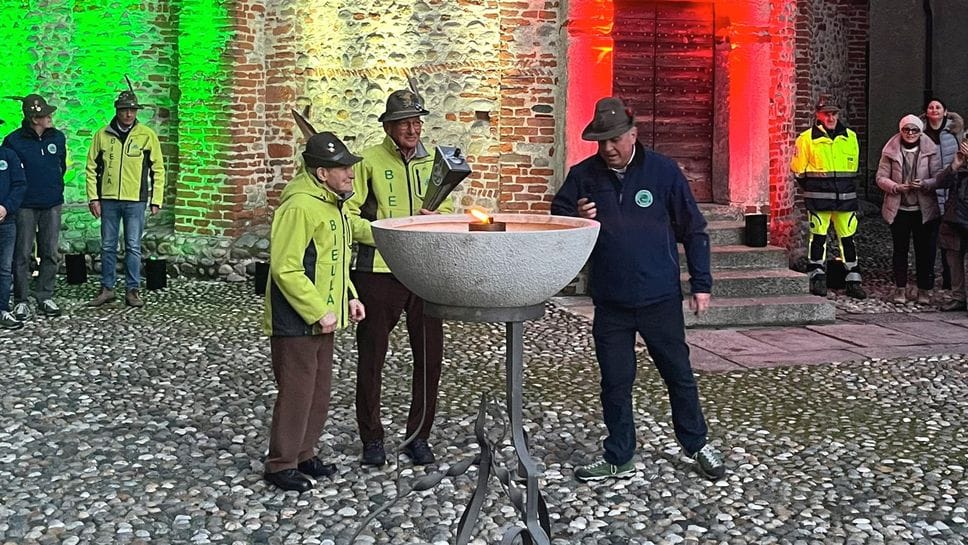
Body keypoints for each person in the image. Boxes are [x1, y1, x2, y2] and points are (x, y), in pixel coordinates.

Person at [551, 96, 725, 482]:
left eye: (615, 139)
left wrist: (701, 284)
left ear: (633, 134)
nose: (608, 148)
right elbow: (556, 219)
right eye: (601, 141)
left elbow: (693, 229)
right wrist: (576, 217)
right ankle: (619, 454)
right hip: (610, 300)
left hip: (659, 297)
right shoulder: (583, 175)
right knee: (615, 382)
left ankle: (697, 443)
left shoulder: (663, 172)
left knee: (678, 374)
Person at [345, 89, 454, 467]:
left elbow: (448, 211)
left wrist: (436, 221)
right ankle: (371, 438)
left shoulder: (435, 163)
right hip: (378, 272)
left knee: (430, 358)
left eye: (416, 121)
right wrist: (386, 234)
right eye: (404, 123)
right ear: (388, 127)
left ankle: (418, 436)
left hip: (424, 272)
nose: (413, 129)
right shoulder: (367, 162)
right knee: (371, 357)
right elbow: (349, 217)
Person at [262, 131, 366, 492]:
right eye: (343, 168)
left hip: (323, 318)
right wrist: (318, 310)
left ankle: (304, 453)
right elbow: (286, 268)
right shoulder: (300, 206)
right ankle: (281, 464)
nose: (351, 174)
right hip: (297, 320)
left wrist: (349, 296)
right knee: (296, 392)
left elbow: (333, 261)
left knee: (318, 392)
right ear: (322, 173)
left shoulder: (332, 204)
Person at [85, 86, 165, 308]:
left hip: (135, 199)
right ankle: (107, 288)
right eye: (124, 110)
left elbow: (158, 168)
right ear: (117, 111)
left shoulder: (147, 135)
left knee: (133, 246)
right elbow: (91, 167)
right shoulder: (102, 135)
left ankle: (132, 290)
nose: (128, 114)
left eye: (132, 110)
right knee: (107, 246)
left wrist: (156, 198)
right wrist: (93, 197)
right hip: (108, 199)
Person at [790, 96, 866, 299]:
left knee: (848, 239)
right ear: (818, 115)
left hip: (845, 199)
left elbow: (853, 169)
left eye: (834, 114)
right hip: (819, 199)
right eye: (826, 114)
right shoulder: (806, 139)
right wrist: (814, 189)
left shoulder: (850, 137)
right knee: (818, 238)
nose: (831, 118)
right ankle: (817, 277)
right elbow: (798, 170)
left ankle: (853, 280)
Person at [3, 94, 67, 321]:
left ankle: (45, 295)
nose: (50, 117)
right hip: (25, 206)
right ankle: (21, 300)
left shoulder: (58, 137)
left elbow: (62, 166)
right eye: (46, 114)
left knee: (50, 251)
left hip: (52, 203)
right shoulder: (13, 141)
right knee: (21, 253)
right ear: (34, 118)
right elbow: (8, 174)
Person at [876, 115, 944, 305]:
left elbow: (938, 176)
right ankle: (900, 288)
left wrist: (925, 184)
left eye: (914, 130)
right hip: (899, 208)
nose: (910, 133)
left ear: (920, 131)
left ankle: (924, 289)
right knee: (900, 250)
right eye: (907, 129)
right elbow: (880, 177)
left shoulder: (930, 150)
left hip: (924, 208)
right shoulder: (890, 151)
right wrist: (895, 187)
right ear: (901, 130)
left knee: (925, 251)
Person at [921, 99, 965, 301]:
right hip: (939, 194)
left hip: (954, 197)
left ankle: (952, 285)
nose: (934, 110)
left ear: (945, 112)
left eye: (938, 107)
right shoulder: (921, 132)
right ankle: (937, 283)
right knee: (938, 243)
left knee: (954, 246)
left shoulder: (955, 133)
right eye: (931, 107)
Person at [0, 118, 26, 329]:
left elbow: (19, 185)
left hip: (6, 220)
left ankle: (2, 309)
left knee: (4, 267)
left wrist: (5, 207)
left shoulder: (8, 155)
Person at [936, 140, 968, 312]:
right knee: (954, 258)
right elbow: (940, 182)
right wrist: (954, 166)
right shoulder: (959, 162)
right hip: (955, 217)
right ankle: (958, 297)